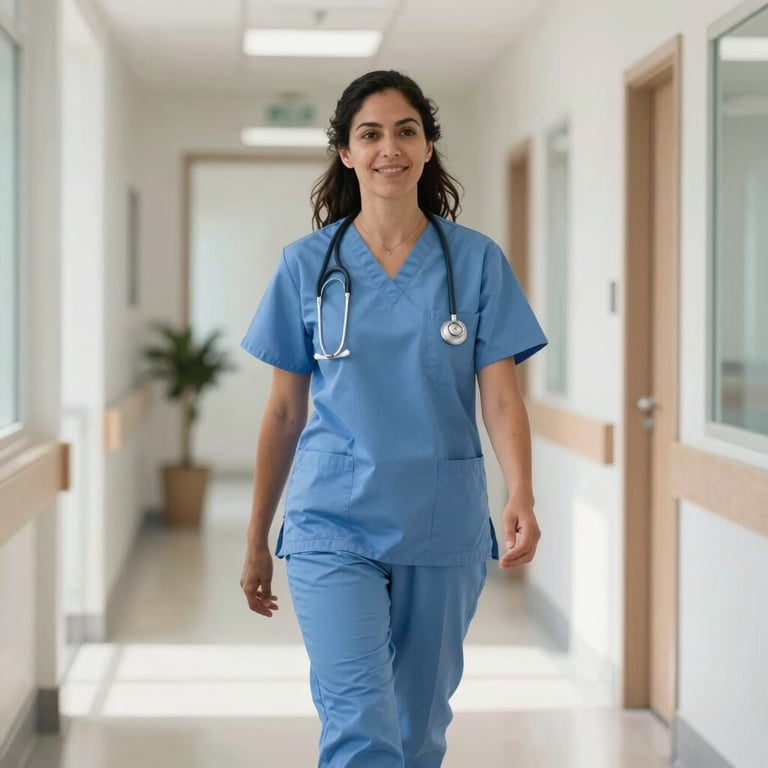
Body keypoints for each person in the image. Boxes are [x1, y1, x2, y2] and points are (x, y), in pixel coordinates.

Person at [240, 69, 547, 768]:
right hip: (329, 522)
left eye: (406, 130)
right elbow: (285, 411)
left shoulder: (474, 262)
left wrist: (520, 491)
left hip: (438, 518)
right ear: (345, 153)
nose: (390, 147)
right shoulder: (305, 267)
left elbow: (499, 395)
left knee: (417, 730)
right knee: (358, 726)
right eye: (370, 133)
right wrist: (257, 535)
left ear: (429, 145)